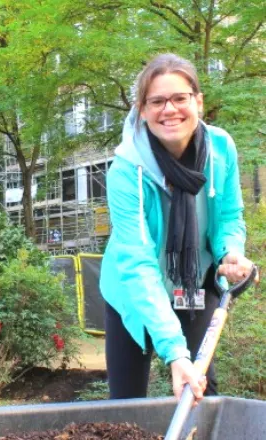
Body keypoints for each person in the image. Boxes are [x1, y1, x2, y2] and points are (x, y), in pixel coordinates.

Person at [99, 53, 259, 404]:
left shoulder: (221, 148)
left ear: (198, 101)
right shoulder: (126, 171)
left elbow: (229, 214)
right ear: (142, 110)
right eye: (156, 101)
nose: (169, 109)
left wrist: (230, 251)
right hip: (133, 288)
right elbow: (138, 262)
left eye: (179, 98)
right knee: (126, 405)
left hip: (195, 280)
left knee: (201, 388)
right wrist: (175, 351)